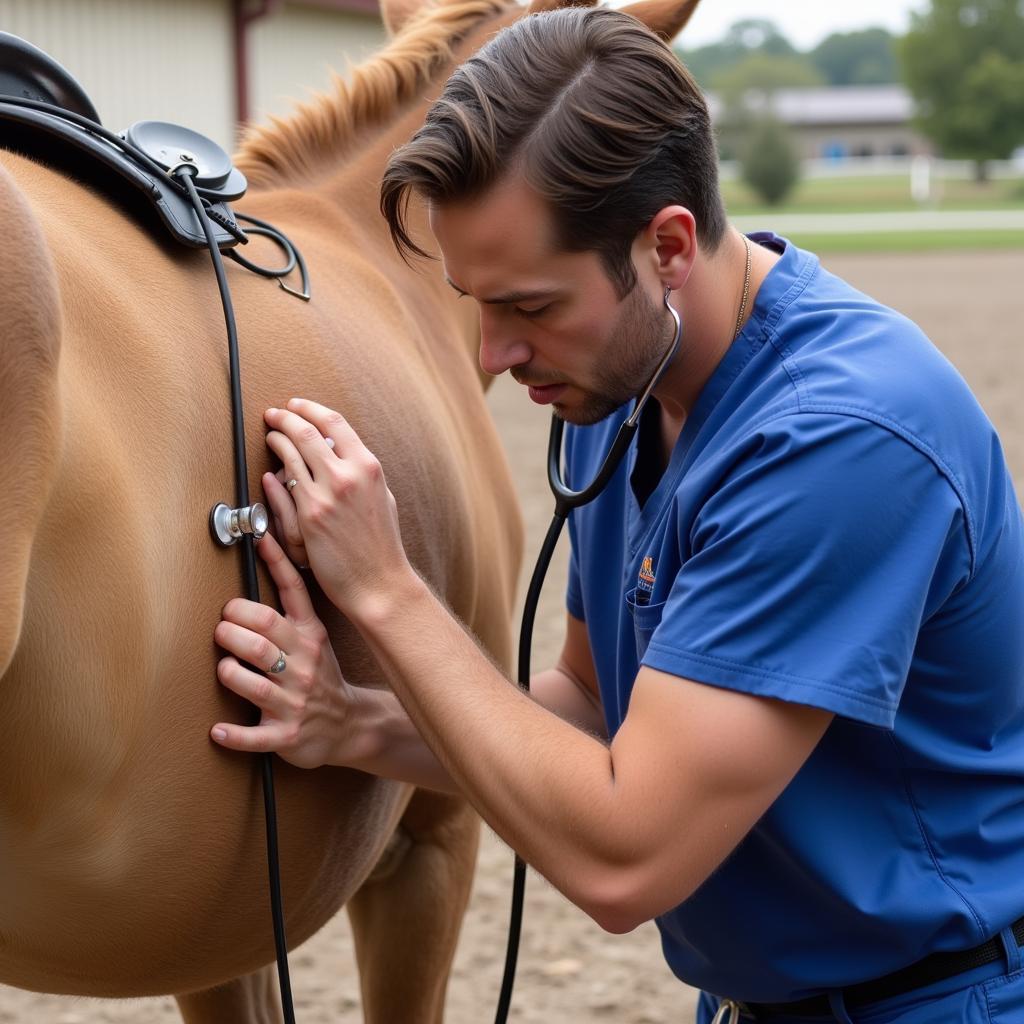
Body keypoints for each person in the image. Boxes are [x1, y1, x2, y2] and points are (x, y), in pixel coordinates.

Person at [209, 7, 1024, 1022]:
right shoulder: (620, 381)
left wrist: (383, 589)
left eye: (531, 306)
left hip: (936, 1001)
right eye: (476, 304)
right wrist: (355, 722)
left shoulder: (839, 443)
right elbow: (592, 711)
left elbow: (624, 854)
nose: (493, 358)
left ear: (667, 244)